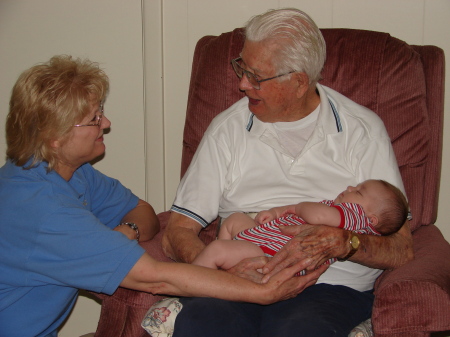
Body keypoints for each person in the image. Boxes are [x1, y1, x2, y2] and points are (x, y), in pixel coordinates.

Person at [0, 55, 324, 337]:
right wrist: (263, 291)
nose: (107, 123)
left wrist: (127, 233)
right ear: (54, 137)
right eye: (94, 119)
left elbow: (143, 212)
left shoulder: (68, 173)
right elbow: (155, 279)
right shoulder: (42, 211)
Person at [162, 8, 413, 337]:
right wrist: (228, 271)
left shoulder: (361, 130)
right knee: (203, 324)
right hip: (240, 276)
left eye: (256, 76)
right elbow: (177, 231)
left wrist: (346, 242)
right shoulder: (227, 129)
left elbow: (403, 247)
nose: (241, 84)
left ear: (298, 83)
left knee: (299, 330)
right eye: (241, 67)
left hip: (329, 286)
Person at [193, 179, 409, 271]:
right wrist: (274, 213)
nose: (351, 186)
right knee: (234, 219)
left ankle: (197, 282)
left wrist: (300, 207)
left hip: (270, 253)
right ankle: (222, 266)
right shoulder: (340, 210)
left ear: (371, 220)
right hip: (264, 236)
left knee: (216, 249)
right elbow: (295, 210)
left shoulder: (354, 219)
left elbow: (317, 216)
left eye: (359, 191)